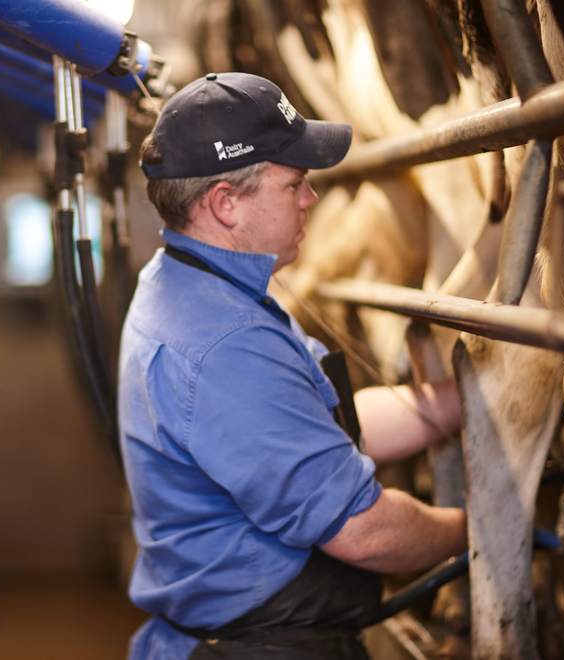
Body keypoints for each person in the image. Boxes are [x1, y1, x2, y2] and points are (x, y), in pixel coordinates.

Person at [118, 72, 467, 660]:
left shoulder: (195, 285)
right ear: (225, 203)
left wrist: (469, 400)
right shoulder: (225, 343)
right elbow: (365, 532)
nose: (311, 199)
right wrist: (481, 526)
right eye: (294, 184)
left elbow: (317, 428)